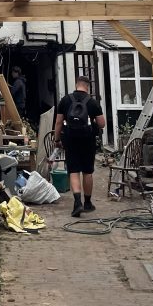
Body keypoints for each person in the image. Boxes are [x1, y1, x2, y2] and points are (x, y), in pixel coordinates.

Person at [54, 76, 105, 217]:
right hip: (88, 140)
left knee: (74, 171)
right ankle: (88, 203)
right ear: (87, 86)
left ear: (76, 84)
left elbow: (59, 122)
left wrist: (57, 139)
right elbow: (102, 124)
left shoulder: (65, 100)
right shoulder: (92, 102)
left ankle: (77, 203)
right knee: (87, 171)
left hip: (70, 139)